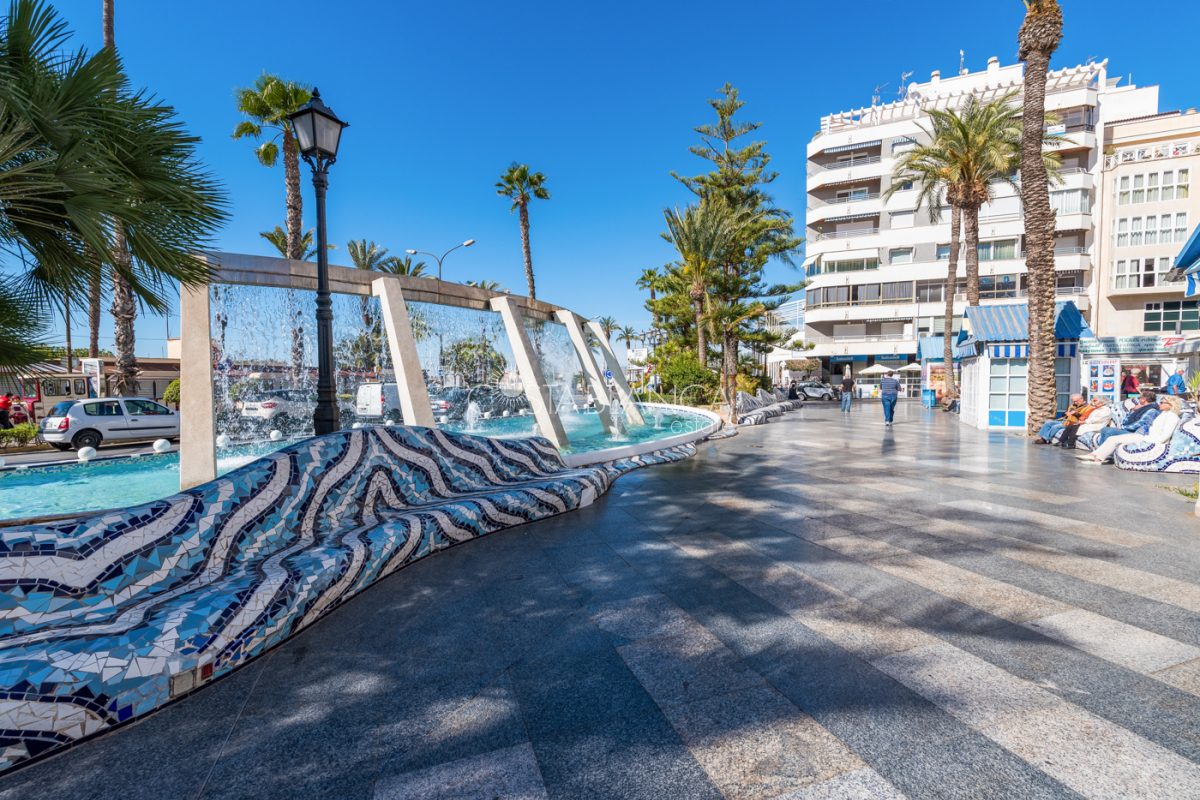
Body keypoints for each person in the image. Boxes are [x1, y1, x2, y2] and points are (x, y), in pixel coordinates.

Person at [1079, 395, 1182, 464]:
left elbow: (1166, 434)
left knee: (1113, 438)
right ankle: (1094, 455)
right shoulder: (1164, 413)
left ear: (1171, 405)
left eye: (1162, 402)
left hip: (1147, 438)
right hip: (1144, 435)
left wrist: (1149, 441)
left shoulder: (1172, 417)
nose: (1159, 404)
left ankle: (1098, 459)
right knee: (1111, 438)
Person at [1092, 390, 1160, 450]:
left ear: (1144, 399)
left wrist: (1122, 428)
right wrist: (1133, 410)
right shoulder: (1142, 408)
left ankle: (1106, 454)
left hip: (1136, 433)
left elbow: (1139, 424)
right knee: (1104, 429)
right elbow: (1127, 419)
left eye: (1139, 398)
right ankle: (1101, 451)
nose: (1138, 400)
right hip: (1129, 429)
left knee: (1109, 431)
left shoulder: (1151, 410)